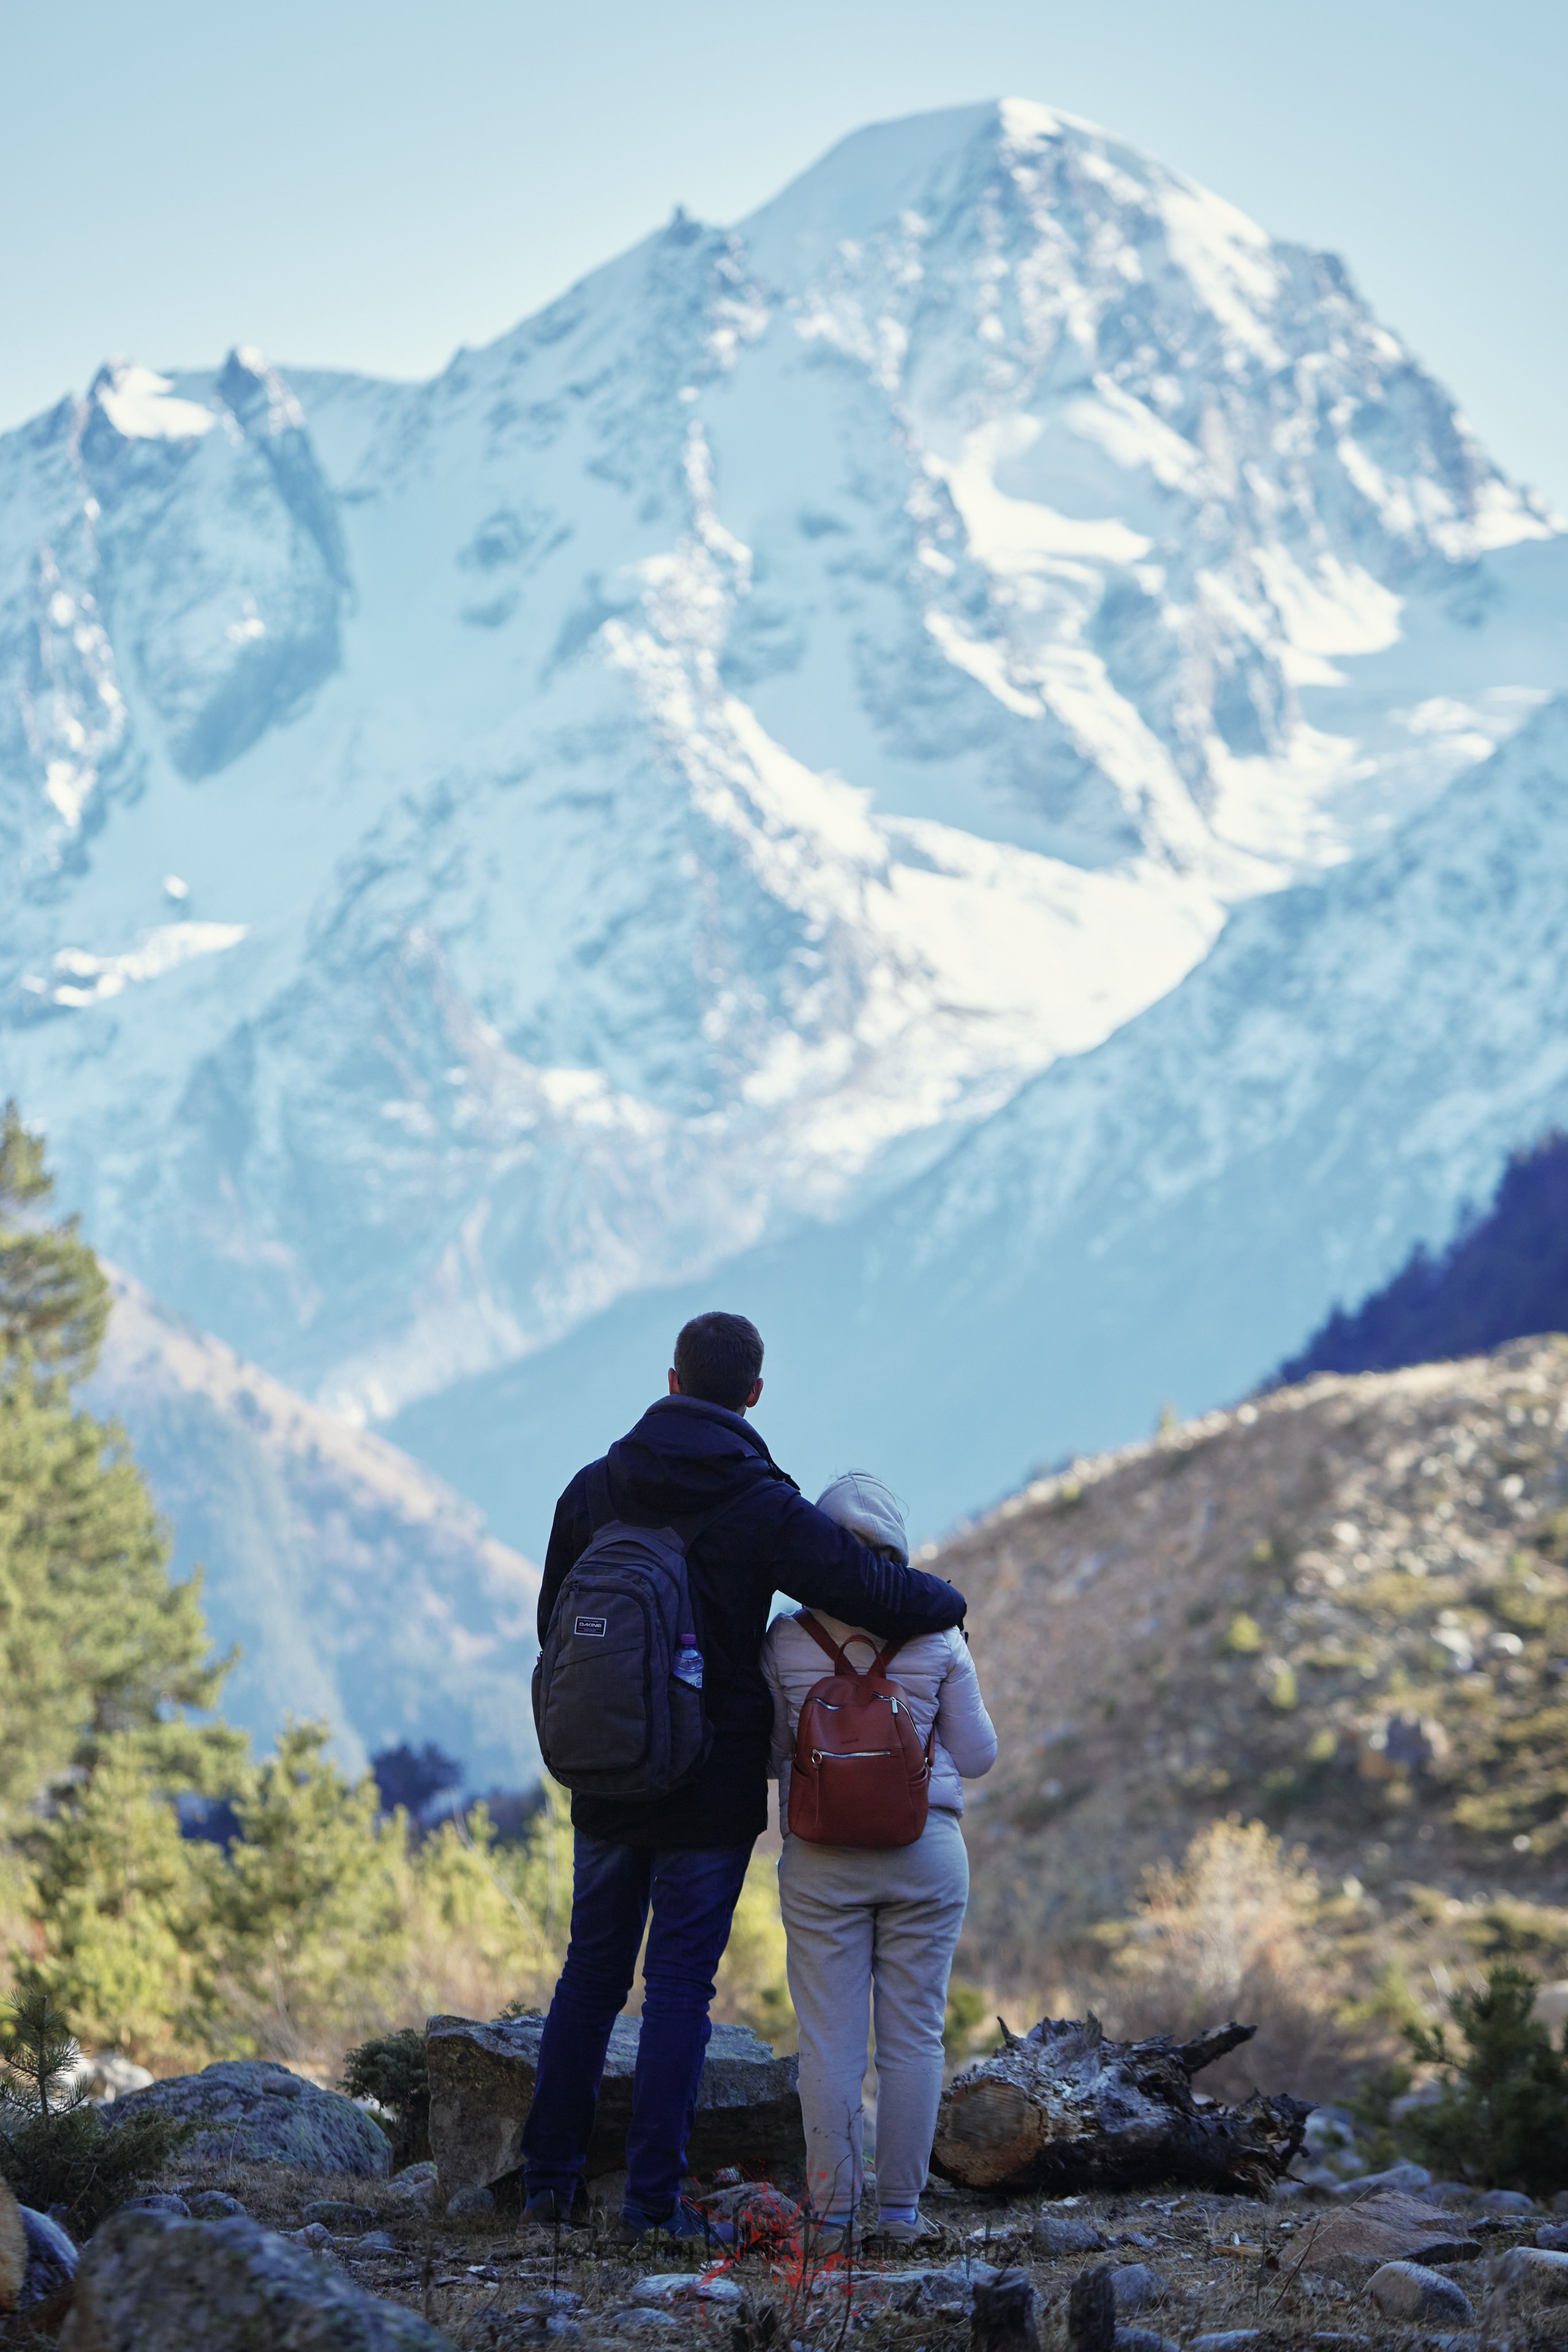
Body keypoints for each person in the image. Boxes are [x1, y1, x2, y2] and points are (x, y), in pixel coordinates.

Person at [520, 1313, 967, 2243]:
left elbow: (551, 1628)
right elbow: (873, 1593)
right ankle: (651, 2204)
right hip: (711, 1784)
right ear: (753, 1395)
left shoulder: (592, 1489)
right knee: (679, 1984)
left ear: (673, 1381)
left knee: (590, 1974)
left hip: (606, 1774)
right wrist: (951, 1605)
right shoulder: (762, 1503)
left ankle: (547, 2187)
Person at [761, 1471, 996, 2252]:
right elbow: (979, 1754)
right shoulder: (936, 1635)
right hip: (924, 1853)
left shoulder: (787, 1641)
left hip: (822, 1859)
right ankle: (899, 2214)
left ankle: (829, 2220)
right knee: (913, 2038)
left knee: (828, 2042)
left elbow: (770, 1755)